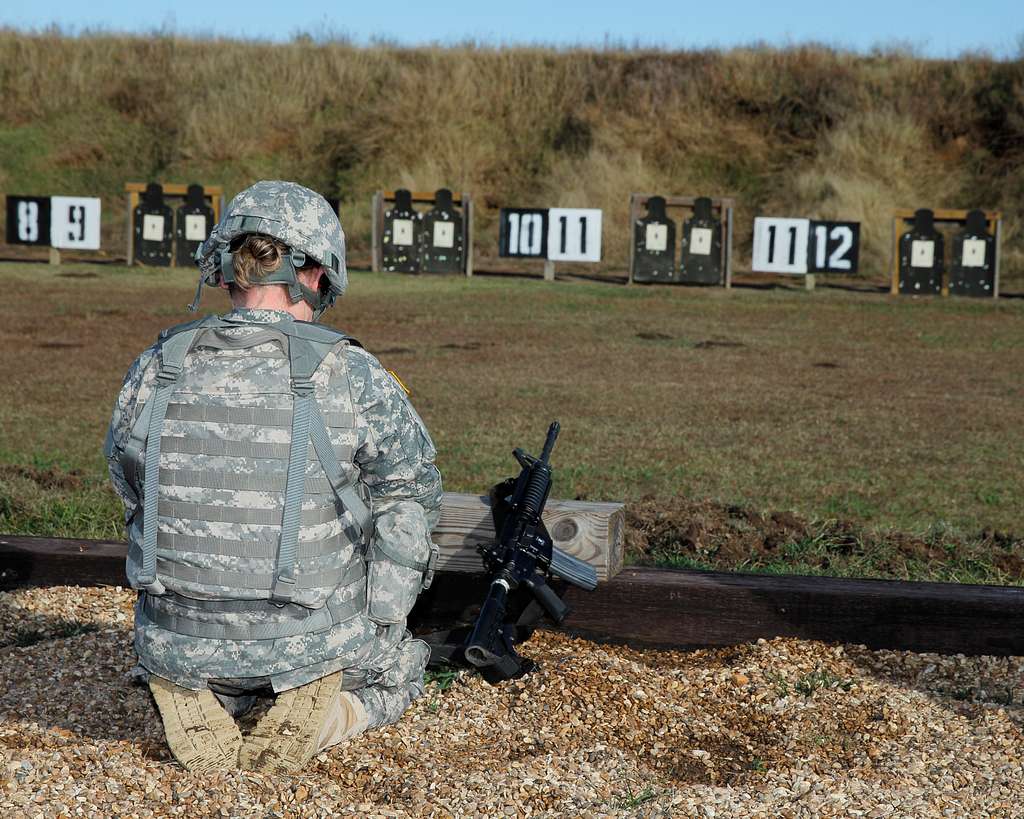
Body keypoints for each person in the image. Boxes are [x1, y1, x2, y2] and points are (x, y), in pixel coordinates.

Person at [104, 180, 442, 773]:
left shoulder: (158, 363)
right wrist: (386, 616)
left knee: (198, 654)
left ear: (228, 267)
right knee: (403, 668)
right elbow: (409, 498)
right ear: (315, 271)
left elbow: (129, 483)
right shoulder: (349, 371)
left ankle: (201, 690)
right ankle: (331, 710)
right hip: (309, 638)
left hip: (174, 636)